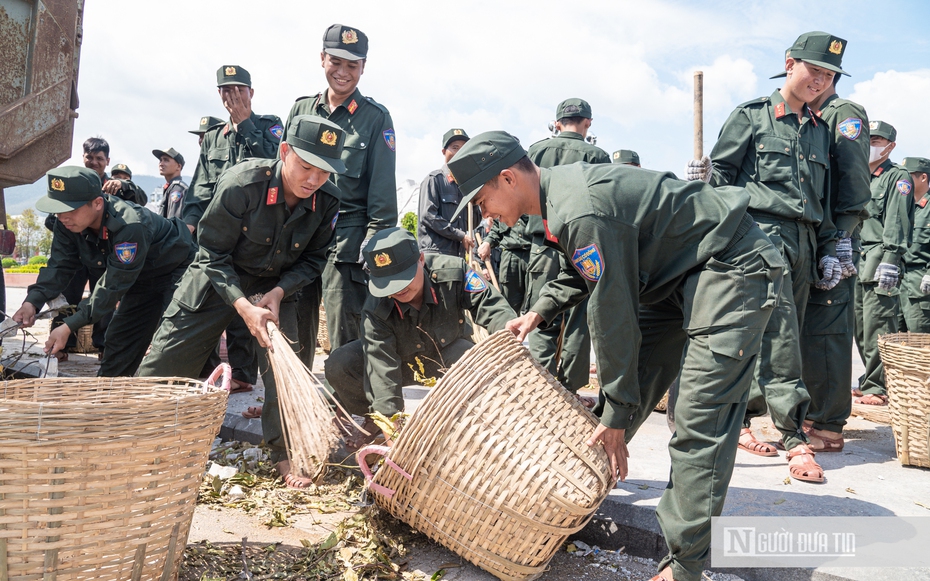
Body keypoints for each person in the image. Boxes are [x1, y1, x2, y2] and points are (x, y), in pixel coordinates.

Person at [447, 130, 783, 581]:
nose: (483, 214)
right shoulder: (556, 197)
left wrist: (619, 410)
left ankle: (684, 565)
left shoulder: (579, 208)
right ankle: (575, 487)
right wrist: (539, 312)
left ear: (507, 178)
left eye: (481, 201)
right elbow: (581, 271)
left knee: (699, 415)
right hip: (671, 276)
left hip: (729, 263)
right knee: (617, 404)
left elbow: (612, 315)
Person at [139, 115, 343, 488]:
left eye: (325, 172)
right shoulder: (243, 183)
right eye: (305, 166)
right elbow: (210, 253)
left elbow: (315, 259)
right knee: (165, 363)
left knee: (287, 371)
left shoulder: (328, 201)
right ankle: (131, 440)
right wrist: (242, 304)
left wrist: (279, 293)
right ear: (284, 152)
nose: (313, 180)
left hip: (276, 287)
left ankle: (287, 454)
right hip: (219, 277)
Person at [686, 31, 843, 483]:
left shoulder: (818, 129)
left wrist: (833, 245)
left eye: (828, 74)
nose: (820, 80)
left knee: (780, 334)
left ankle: (752, 420)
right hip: (760, 238)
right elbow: (721, 183)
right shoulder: (751, 117)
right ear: (790, 63)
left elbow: (824, 199)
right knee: (780, 338)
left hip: (804, 242)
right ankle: (794, 439)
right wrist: (704, 178)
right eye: (814, 69)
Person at [325, 227, 515, 444]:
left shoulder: (452, 272)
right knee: (340, 363)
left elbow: (489, 305)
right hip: (401, 362)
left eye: (403, 278)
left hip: (448, 358)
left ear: (421, 260)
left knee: (471, 358)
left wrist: (507, 328)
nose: (398, 289)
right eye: (388, 283)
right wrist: (392, 431)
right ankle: (374, 421)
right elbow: (381, 369)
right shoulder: (376, 308)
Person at [284, 24, 397, 370]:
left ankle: (347, 409)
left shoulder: (375, 118)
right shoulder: (301, 109)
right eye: (336, 61)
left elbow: (382, 191)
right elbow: (283, 168)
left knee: (345, 329)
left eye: (353, 65)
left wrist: (373, 243)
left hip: (347, 235)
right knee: (292, 321)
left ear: (364, 67)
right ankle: (289, 399)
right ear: (322, 59)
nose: (343, 72)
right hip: (300, 231)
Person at [13, 166, 193, 376]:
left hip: (178, 269)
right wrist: (32, 302)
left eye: (70, 209)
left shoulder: (129, 224)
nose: (62, 217)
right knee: (119, 339)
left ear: (98, 203)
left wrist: (69, 325)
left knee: (176, 341)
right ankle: (108, 396)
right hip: (140, 278)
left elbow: (112, 285)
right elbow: (60, 265)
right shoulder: (66, 223)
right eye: (57, 210)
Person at [183, 65, 283, 392]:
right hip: (221, 233)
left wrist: (245, 125)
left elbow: (277, 164)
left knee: (248, 301)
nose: (233, 96)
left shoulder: (269, 128)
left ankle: (245, 373)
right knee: (212, 300)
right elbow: (200, 188)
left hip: (257, 233)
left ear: (251, 93)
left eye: (239, 89)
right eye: (226, 91)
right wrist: (188, 226)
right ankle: (207, 368)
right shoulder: (214, 138)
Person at [798, 68, 871, 452]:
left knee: (829, 329)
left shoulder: (843, 114)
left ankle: (828, 426)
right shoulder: (808, 117)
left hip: (835, 240)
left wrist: (843, 236)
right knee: (810, 331)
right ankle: (813, 413)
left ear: (826, 80)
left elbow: (854, 181)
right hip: (813, 237)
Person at [525, 98, 610, 396]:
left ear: (557, 123)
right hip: (582, 246)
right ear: (588, 123)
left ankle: (538, 392)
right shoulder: (598, 155)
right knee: (577, 320)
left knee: (540, 316)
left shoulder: (537, 150)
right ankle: (569, 391)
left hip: (543, 247)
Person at [854, 121, 914, 405]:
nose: (871, 145)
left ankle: (878, 386)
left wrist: (891, 258)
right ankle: (869, 379)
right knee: (859, 328)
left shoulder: (897, 177)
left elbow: (897, 221)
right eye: (869, 138)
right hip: (854, 261)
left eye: (878, 140)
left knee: (880, 328)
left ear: (890, 146)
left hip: (879, 263)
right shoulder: (857, 175)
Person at [416, 128, 481, 258]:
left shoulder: (466, 186)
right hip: (436, 255)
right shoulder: (434, 180)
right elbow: (428, 215)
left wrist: (474, 201)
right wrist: (460, 235)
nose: (459, 152)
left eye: (463, 148)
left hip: (458, 256)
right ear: (444, 151)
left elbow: (473, 223)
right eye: (455, 147)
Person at [899, 157, 930, 332]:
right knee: (894, 344)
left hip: (921, 289)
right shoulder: (902, 205)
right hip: (897, 286)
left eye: (907, 176)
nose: (902, 182)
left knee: (922, 345)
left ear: (923, 178)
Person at [152, 147, 187, 219]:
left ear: (178, 166)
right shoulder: (171, 187)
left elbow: (174, 222)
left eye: (166, 160)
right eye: (160, 160)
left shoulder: (177, 189)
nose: (161, 164)